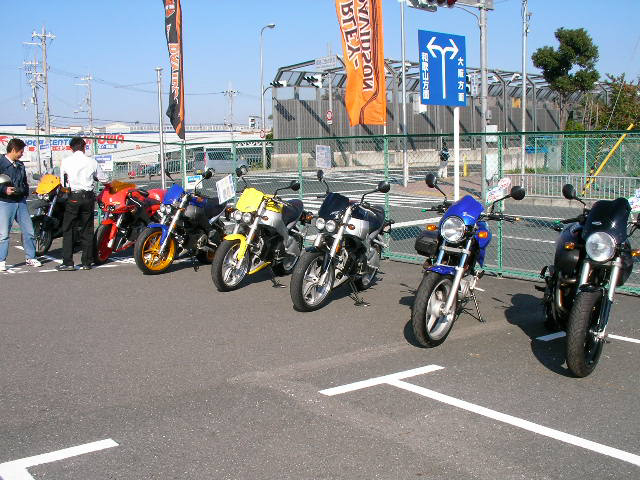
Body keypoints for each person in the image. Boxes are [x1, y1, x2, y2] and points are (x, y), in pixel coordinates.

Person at [56, 136, 106, 271]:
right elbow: (103, 179)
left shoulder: (66, 161)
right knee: (87, 229)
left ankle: (68, 262)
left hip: (73, 196)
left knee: (68, 228)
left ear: (71, 148)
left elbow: (63, 182)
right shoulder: (92, 162)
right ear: (84, 147)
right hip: (88, 197)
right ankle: (87, 262)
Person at [0, 138, 42, 272]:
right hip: (5, 202)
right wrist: (4, 190)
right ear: (13, 150)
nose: (22, 154)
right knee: (4, 234)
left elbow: (24, 182)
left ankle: (31, 257)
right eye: (21, 152)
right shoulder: (1, 162)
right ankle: (1, 260)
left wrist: (23, 191)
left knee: (29, 231)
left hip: (20, 202)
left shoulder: (20, 165)